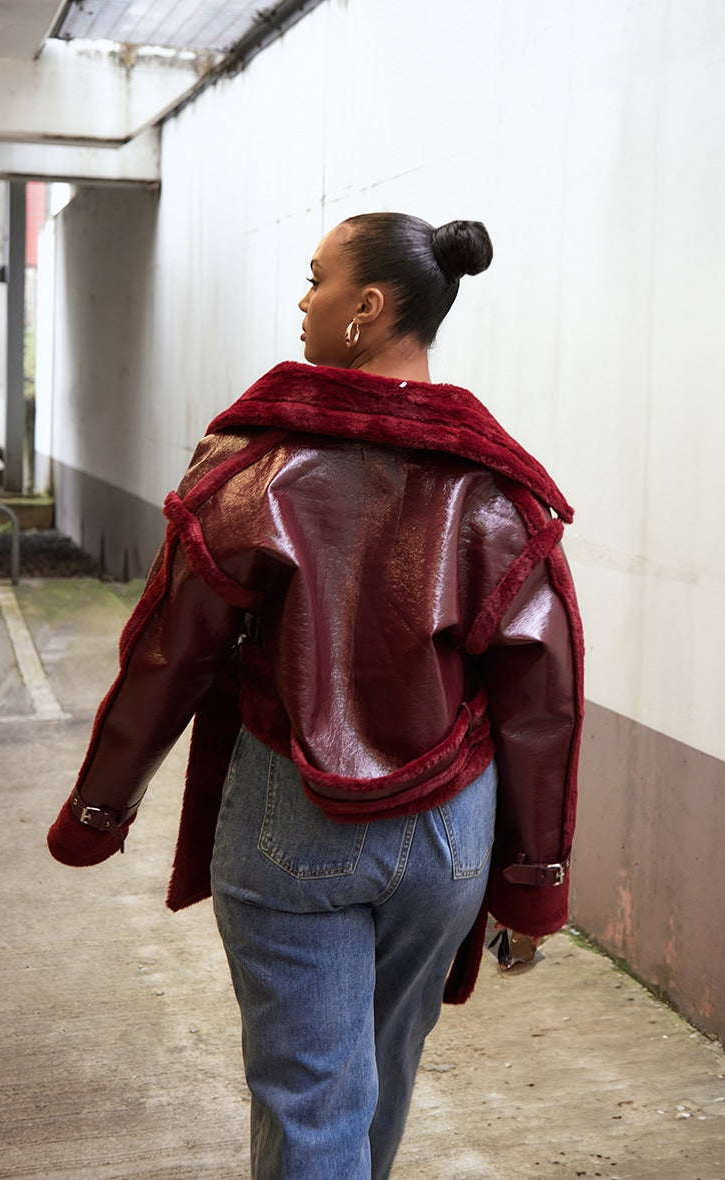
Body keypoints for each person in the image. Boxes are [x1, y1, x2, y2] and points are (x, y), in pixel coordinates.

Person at [48, 212, 584, 1179]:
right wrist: (532, 877)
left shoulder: (260, 465)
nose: (304, 300)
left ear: (367, 309)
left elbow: (174, 653)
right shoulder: (498, 485)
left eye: (317, 279)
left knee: (311, 1102)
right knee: (378, 1074)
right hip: (451, 835)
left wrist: (100, 806)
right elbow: (543, 695)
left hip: (293, 821)